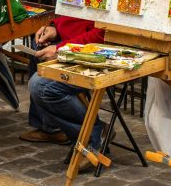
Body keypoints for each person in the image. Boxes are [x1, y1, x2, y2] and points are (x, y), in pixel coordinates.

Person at [20, 17, 106, 154]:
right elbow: (73, 11)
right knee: (37, 45)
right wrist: (56, 27)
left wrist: (62, 49)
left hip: (96, 49)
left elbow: (102, 35)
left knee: (41, 87)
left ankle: (93, 133)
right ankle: (51, 127)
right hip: (73, 39)